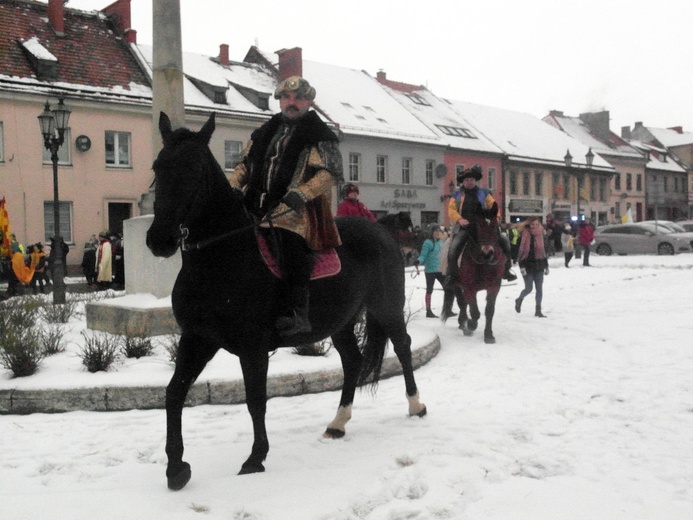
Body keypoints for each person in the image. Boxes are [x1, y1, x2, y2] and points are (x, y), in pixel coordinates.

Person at [229, 75, 342, 336]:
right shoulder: (264, 132)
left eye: (299, 98)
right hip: (254, 202)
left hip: (294, 208)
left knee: (289, 244)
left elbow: (328, 174)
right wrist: (234, 185)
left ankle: (298, 313)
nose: (292, 102)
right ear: (279, 101)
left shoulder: (320, 135)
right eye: (287, 97)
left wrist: (301, 194)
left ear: (309, 102)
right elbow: (244, 164)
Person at [444, 165, 516, 287]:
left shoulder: (484, 193)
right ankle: (452, 275)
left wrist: (496, 218)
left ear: (475, 181)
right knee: (453, 249)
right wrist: (459, 219)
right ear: (463, 181)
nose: (469, 182)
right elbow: (451, 209)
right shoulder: (457, 195)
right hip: (466, 228)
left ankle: (506, 269)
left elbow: (494, 205)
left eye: (471, 180)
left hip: (484, 227)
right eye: (466, 180)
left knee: (504, 241)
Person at [514, 216, 549, 317]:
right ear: (528, 224)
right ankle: (519, 299)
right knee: (528, 288)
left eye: (536, 224)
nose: (534, 226)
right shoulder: (524, 234)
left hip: (539, 264)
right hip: (527, 265)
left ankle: (538, 310)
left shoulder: (541, 235)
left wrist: (546, 265)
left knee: (539, 289)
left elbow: (543, 252)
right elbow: (521, 252)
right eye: (532, 224)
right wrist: (522, 267)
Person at [415, 225, 446, 318]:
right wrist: (418, 261)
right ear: (431, 233)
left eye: (439, 231)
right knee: (429, 290)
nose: (437, 233)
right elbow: (423, 256)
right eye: (435, 231)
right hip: (430, 271)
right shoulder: (428, 243)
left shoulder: (441, 242)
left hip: (440, 270)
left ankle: (447, 309)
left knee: (448, 289)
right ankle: (428, 311)